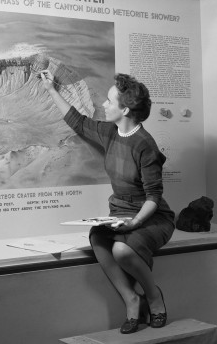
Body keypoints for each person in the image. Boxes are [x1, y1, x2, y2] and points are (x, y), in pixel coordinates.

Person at [40, 70, 175, 334]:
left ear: (125, 111)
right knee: (98, 238)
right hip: (120, 212)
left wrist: (133, 223)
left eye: (110, 101)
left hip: (151, 216)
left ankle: (154, 296)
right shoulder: (110, 132)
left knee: (122, 251)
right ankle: (131, 299)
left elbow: (153, 197)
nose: (104, 104)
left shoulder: (146, 145)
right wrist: (51, 90)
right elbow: (77, 122)